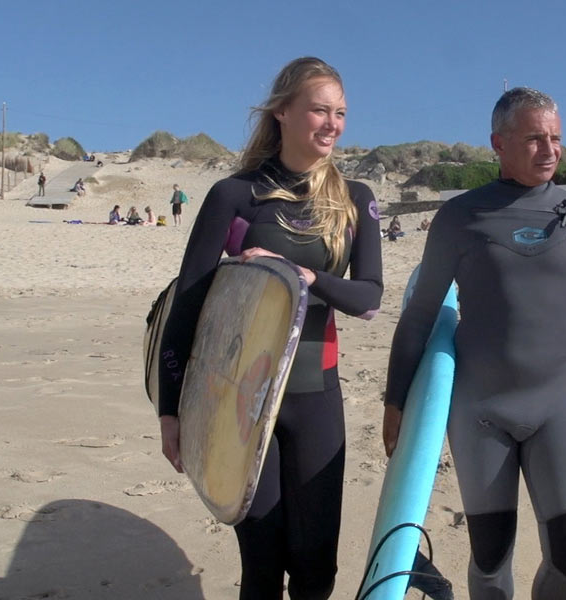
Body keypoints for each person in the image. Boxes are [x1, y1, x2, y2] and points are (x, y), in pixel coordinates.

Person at [382, 87, 566, 599]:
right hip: (480, 410)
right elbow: (420, 315)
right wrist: (395, 401)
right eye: (533, 138)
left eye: (555, 138)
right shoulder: (460, 217)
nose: (549, 149)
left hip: (556, 407)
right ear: (498, 143)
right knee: (491, 555)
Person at [157, 57, 383, 599]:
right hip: (238, 401)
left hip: (315, 398)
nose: (332, 123)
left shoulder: (356, 200)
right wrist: (170, 410)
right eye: (319, 110)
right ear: (282, 111)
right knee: (261, 563)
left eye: (341, 113)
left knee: (315, 567)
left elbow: (370, 298)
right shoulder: (234, 197)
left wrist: (307, 278)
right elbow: (187, 306)